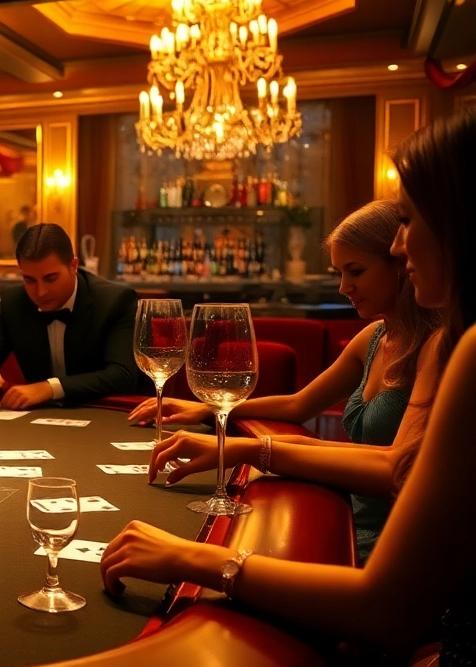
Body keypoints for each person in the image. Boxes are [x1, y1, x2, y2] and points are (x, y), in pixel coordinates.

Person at [100, 108, 476, 667]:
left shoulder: (460, 346)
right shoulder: (418, 339)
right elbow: (327, 420)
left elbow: (387, 606)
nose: (402, 245)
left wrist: (194, 555)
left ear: (460, 218)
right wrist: (219, 417)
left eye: (408, 220)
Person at [127, 201, 442, 560]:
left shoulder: (438, 345)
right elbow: (299, 404)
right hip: (346, 519)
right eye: (339, 273)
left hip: (392, 545)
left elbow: (393, 468)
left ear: (400, 263)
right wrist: (205, 409)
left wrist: (254, 449)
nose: (343, 288)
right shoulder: (373, 337)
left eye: (355, 272)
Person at [0, 222, 139, 409]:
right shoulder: (15, 302)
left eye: (50, 278)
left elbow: (123, 375)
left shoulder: (114, 301)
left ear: (73, 266)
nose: (40, 292)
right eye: (29, 280)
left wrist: (49, 388)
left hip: (107, 417)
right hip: (39, 425)